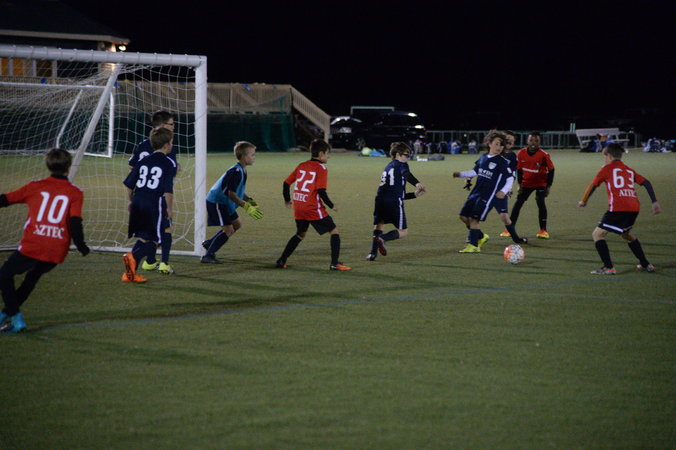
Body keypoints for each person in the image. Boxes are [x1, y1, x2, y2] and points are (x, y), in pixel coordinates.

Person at [0, 148, 90, 333]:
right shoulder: (75, 192)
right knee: (31, 278)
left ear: (48, 165)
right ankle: (7, 315)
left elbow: (5, 199)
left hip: (34, 244)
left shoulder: (35, 186)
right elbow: (75, 222)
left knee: (4, 275)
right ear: (68, 167)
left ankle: (16, 318)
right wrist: (81, 245)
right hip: (57, 249)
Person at [578, 143, 661, 274]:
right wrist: (654, 202)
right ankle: (646, 264)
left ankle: (608, 267)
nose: (604, 160)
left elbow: (593, 185)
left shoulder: (606, 169)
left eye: (604, 157)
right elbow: (646, 182)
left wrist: (584, 200)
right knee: (626, 234)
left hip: (618, 208)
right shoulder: (628, 170)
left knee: (597, 234)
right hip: (634, 207)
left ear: (609, 156)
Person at [276, 139, 351, 271]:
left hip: (299, 206)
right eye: (327, 154)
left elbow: (286, 183)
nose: (328, 157)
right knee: (334, 231)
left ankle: (282, 260)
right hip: (312, 207)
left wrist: (287, 199)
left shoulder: (301, 165)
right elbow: (321, 191)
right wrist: (331, 205)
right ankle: (335, 264)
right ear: (321, 154)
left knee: (300, 234)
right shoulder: (321, 168)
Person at [453, 130, 527, 253]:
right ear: (489, 143)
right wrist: (460, 174)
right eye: (497, 144)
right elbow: (475, 171)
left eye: (501, 145)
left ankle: (474, 245)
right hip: (475, 193)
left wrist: (505, 190)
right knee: (463, 216)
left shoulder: (503, 161)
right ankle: (481, 236)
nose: (499, 147)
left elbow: (510, 177)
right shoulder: (483, 157)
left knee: (476, 219)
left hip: (490, 195)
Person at [122, 128, 177, 282]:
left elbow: (129, 184)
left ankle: (130, 273)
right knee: (155, 239)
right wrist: (169, 208)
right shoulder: (168, 163)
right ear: (166, 145)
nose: (172, 145)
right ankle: (132, 258)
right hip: (154, 202)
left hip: (138, 200)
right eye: (171, 142)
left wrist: (130, 200)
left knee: (144, 237)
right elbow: (168, 190)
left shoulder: (143, 161)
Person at [201, 141, 262, 264]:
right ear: (244, 157)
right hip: (217, 202)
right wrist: (246, 206)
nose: (254, 157)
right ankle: (208, 256)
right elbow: (231, 194)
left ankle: (209, 244)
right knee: (228, 230)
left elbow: (238, 191)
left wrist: (249, 200)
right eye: (252, 155)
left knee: (236, 225)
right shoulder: (236, 172)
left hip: (225, 202)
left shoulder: (242, 170)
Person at [367, 142, 426, 261]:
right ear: (398, 154)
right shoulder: (402, 165)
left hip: (380, 200)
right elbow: (406, 173)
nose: (408, 158)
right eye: (406, 155)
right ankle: (382, 239)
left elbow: (394, 191)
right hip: (393, 202)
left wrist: (414, 195)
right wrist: (416, 183)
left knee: (379, 225)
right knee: (403, 232)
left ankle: (372, 254)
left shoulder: (389, 166)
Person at [507, 131, 555, 239]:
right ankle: (510, 229)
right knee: (518, 203)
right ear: (527, 141)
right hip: (526, 183)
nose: (533, 143)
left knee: (540, 201)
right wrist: (520, 184)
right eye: (531, 140)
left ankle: (543, 230)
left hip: (540, 183)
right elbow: (519, 169)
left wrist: (548, 186)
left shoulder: (544, 155)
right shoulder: (521, 153)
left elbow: (551, 170)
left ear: (539, 142)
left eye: (536, 140)